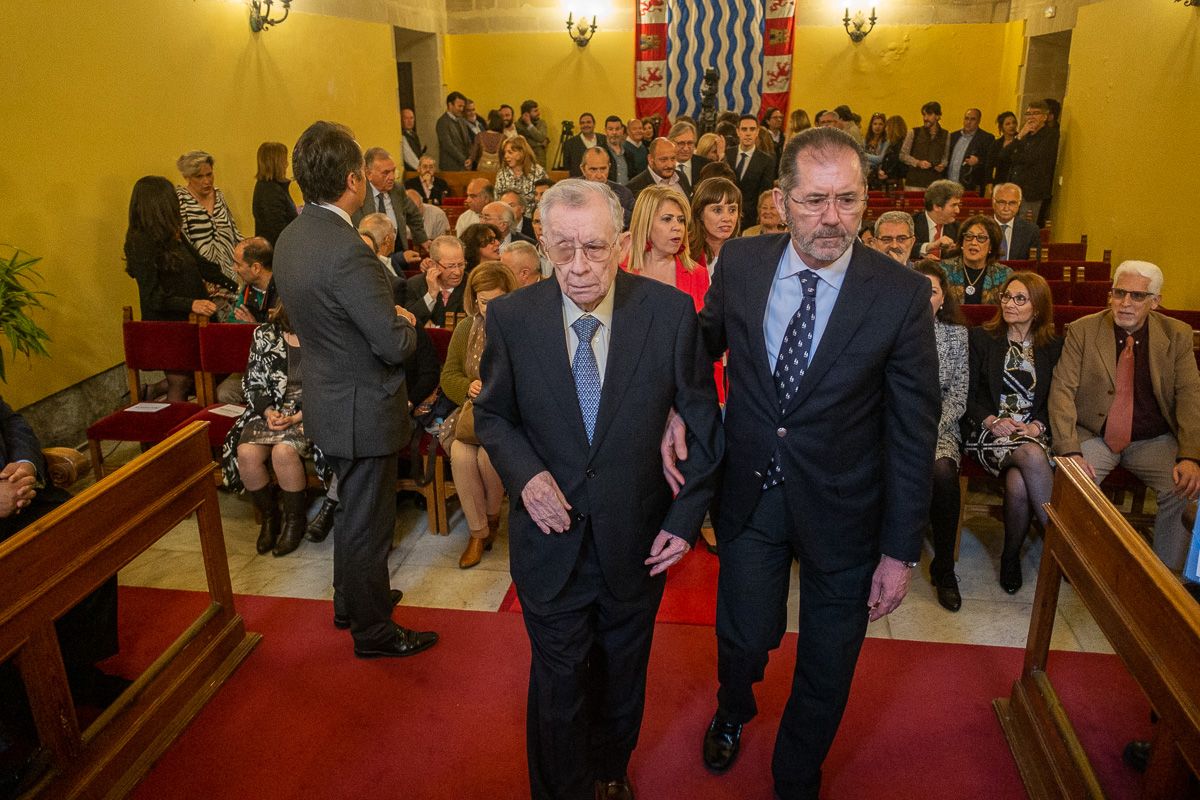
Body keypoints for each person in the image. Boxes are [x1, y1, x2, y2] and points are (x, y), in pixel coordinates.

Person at [683, 126, 939, 799]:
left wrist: (900, 550)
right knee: (742, 637)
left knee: (828, 662)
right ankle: (734, 708)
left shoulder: (900, 294)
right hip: (752, 494)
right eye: (815, 200)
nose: (832, 218)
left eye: (848, 201)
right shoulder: (738, 265)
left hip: (847, 510)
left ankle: (796, 770)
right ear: (781, 199)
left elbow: (915, 430)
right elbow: (697, 349)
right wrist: (673, 415)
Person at [474, 178, 722, 800]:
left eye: (594, 248)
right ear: (542, 243)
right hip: (549, 542)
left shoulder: (667, 313)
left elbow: (703, 423)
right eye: (563, 249)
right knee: (558, 684)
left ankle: (612, 771)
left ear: (621, 244)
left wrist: (685, 520)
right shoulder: (512, 317)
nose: (579, 267)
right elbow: (494, 416)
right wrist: (525, 474)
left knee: (621, 678)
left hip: (636, 542)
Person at [274, 120, 437, 659]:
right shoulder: (348, 249)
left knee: (351, 513)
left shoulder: (292, 236)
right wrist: (406, 320)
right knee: (369, 524)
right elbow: (392, 344)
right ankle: (373, 632)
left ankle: (351, 601)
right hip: (363, 405)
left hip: (326, 395)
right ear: (352, 179)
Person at [1049, 261, 1200, 584]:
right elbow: (1062, 391)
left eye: (1136, 296)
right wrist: (1070, 450)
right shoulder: (1083, 330)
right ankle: (1077, 567)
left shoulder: (1176, 335)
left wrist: (1190, 455)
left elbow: (1190, 396)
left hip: (1153, 439)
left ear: (1155, 301)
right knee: (1075, 483)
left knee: (1185, 485)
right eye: (1119, 293)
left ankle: (1167, 581)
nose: (1125, 303)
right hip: (1095, 435)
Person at [0, 397, 124, 789]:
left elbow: (12, 421)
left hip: (17, 496)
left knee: (89, 535)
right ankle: (18, 715)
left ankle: (74, 672)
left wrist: (25, 466)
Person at [962, 272, 1061, 594]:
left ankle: (1010, 556)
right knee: (1031, 455)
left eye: (1020, 298)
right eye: (1006, 296)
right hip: (987, 431)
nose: (1010, 304)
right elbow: (967, 394)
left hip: (1030, 431)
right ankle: (1061, 547)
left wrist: (1037, 425)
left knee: (1019, 481)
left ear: (1038, 306)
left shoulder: (1052, 346)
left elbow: (1058, 397)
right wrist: (991, 420)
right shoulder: (981, 338)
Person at [220, 303, 331, 557]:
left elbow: (329, 383)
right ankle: (271, 518)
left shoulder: (324, 333)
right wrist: (268, 411)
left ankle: (295, 522)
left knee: (283, 452)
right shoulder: (264, 335)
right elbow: (252, 383)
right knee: (246, 453)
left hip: (311, 410)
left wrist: (298, 417)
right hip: (272, 409)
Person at [124, 175, 237, 400]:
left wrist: (235, 283)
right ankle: (180, 432)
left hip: (194, 319)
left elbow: (202, 265)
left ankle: (155, 392)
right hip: (168, 325)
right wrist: (192, 303)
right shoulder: (140, 242)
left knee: (213, 373)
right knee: (181, 382)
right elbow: (153, 296)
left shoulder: (171, 233)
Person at [439, 262, 520, 569]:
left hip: (509, 416)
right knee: (461, 453)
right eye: (484, 302)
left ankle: (491, 516)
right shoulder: (466, 328)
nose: (490, 309)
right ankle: (478, 532)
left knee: (488, 457)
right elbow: (448, 376)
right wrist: (467, 386)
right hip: (472, 415)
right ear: (474, 300)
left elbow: (532, 379)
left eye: (497, 301)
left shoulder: (521, 328)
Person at [913, 261, 969, 612]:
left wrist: (929, 427)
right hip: (894, 425)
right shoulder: (886, 330)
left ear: (942, 298)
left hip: (939, 425)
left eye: (931, 291)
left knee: (944, 471)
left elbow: (959, 393)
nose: (923, 297)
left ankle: (944, 568)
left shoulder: (956, 336)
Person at [215, 236, 280, 404]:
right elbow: (232, 328)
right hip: (251, 364)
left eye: (237, 264)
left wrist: (254, 326)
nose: (233, 269)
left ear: (256, 268)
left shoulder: (284, 289)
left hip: (281, 367)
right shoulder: (246, 292)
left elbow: (287, 333)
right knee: (224, 393)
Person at [175, 150, 242, 281]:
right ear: (187, 177)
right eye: (199, 177)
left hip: (230, 274)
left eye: (209, 174)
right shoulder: (181, 200)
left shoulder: (219, 195)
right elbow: (184, 244)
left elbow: (233, 231)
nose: (206, 181)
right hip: (202, 278)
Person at [353, 147, 427, 253]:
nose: (392, 177)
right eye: (386, 173)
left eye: (393, 171)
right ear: (368, 174)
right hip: (369, 253)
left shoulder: (397, 189)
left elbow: (414, 214)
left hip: (397, 250)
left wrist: (421, 239)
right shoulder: (358, 192)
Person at [939, 214, 1010, 305]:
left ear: (991, 246)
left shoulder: (1004, 274)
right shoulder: (944, 269)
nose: (973, 242)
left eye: (981, 238)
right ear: (962, 242)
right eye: (969, 236)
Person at [1007, 101, 1059, 223]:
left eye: (1035, 113)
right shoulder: (1025, 135)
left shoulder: (1050, 135)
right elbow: (1005, 155)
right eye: (1028, 114)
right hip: (1015, 189)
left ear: (1045, 117)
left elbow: (1033, 158)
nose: (1031, 117)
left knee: (1025, 227)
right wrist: (1019, 136)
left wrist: (1017, 156)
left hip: (1032, 192)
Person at [725, 115, 776, 228]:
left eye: (752, 129)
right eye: (744, 129)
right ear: (738, 131)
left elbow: (764, 193)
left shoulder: (766, 160)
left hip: (751, 219)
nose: (748, 133)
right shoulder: (727, 154)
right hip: (726, 215)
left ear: (757, 132)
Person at [406, 234, 467, 327]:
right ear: (433, 264)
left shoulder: (473, 284)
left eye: (461, 264)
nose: (458, 272)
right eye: (450, 266)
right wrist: (431, 295)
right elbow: (408, 321)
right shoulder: (415, 285)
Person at [688, 177, 741, 279]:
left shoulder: (745, 253)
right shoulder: (684, 253)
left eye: (732, 210)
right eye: (717, 210)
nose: (727, 218)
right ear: (700, 214)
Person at [251, 141, 298, 247]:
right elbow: (278, 230)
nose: (286, 164)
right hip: (278, 251)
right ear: (276, 163)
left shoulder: (268, 187)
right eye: (284, 160)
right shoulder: (271, 192)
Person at [494, 136, 548, 222]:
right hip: (508, 220)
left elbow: (545, 199)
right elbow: (497, 199)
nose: (506, 156)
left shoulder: (538, 172)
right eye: (505, 153)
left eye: (510, 152)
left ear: (521, 152)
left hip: (532, 221)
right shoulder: (502, 174)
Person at [580, 147, 635, 229]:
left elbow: (635, 222)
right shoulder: (570, 192)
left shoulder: (624, 194)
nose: (599, 175)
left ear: (609, 167)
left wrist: (614, 209)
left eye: (603, 169)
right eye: (593, 169)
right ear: (583, 169)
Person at [899, 101, 949, 190]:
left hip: (935, 184)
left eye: (929, 115)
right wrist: (918, 163)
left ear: (938, 116)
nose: (925, 118)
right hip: (914, 183)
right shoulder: (914, 132)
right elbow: (902, 155)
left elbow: (945, 156)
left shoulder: (946, 135)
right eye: (924, 115)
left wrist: (942, 165)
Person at [947, 108, 995, 194]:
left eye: (973, 119)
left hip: (970, 186)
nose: (968, 122)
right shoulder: (953, 136)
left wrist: (978, 161)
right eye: (966, 118)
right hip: (949, 185)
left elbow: (991, 161)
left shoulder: (986, 138)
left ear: (979, 121)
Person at [913, 179, 964, 260]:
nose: (958, 210)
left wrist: (956, 250)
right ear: (936, 206)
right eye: (954, 205)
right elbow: (905, 247)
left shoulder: (958, 228)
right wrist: (930, 246)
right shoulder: (912, 223)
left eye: (958, 205)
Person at [991, 182, 1040, 261]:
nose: (1006, 208)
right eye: (1002, 202)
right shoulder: (982, 227)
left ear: (1019, 204)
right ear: (993, 202)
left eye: (1012, 203)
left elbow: (1033, 266)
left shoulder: (1031, 231)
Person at [436, 91, 473, 171]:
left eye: (463, 106)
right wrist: (464, 160)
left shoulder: (462, 121)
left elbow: (468, 142)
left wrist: (470, 158)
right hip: (450, 167)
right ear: (450, 105)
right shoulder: (442, 122)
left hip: (464, 166)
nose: (461, 109)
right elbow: (448, 145)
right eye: (459, 106)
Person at [874, 114, 908, 190]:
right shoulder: (894, 144)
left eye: (887, 126)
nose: (885, 129)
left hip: (894, 181)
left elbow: (898, 162)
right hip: (891, 180)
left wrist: (887, 174)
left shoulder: (898, 145)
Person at [669, 120, 704, 190]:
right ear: (671, 142)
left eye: (690, 143)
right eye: (681, 143)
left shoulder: (705, 165)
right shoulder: (662, 167)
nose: (686, 148)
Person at [563, 112, 600, 177]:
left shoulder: (604, 139)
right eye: (582, 123)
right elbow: (567, 168)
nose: (585, 125)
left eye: (588, 122)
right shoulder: (570, 144)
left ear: (594, 124)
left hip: (600, 181)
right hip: (579, 183)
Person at [603, 116, 637, 186]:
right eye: (610, 129)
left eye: (617, 129)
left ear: (622, 130)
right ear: (605, 131)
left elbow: (633, 178)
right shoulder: (600, 153)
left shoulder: (629, 154)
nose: (614, 132)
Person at [989, 110, 1019, 186]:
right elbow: (989, 164)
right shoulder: (996, 143)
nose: (1011, 126)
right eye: (1007, 124)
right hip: (1000, 180)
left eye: (1014, 123)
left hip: (1016, 181)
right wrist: (989, 183)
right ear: (1002, 127)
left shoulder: (1021, 140)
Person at [469, 109, 506, 173]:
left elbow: (473, 154)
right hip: (497, 171)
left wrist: (470, 160)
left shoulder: (480, 136)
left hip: (482, 170)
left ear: (489, 121)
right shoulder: (504, 138)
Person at [516, 99, 550, 167]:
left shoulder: (541, 123)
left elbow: (541, 138)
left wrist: (529, 125)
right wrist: (538, 144)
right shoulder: (517, 125)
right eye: (535, 111)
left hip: (539, 160)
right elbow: (521, 142)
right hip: (524, 159)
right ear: (526, 114)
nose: (538, 113)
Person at [862, 112, 887, 176]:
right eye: (875, 124)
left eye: (880, 124)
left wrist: (864, 154)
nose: (877, 127)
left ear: (884, 126)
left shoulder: (886, 141)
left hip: (879, 174)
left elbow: (880, 159)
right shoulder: (866, 140)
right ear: (871, 125)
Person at [400, 107, 425, 172]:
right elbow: (409, 157)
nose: (409, 121)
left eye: (411, 118)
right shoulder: (401, 136)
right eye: (406, 118)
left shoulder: (414, 135)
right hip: (411, 171)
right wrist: (421, 169)